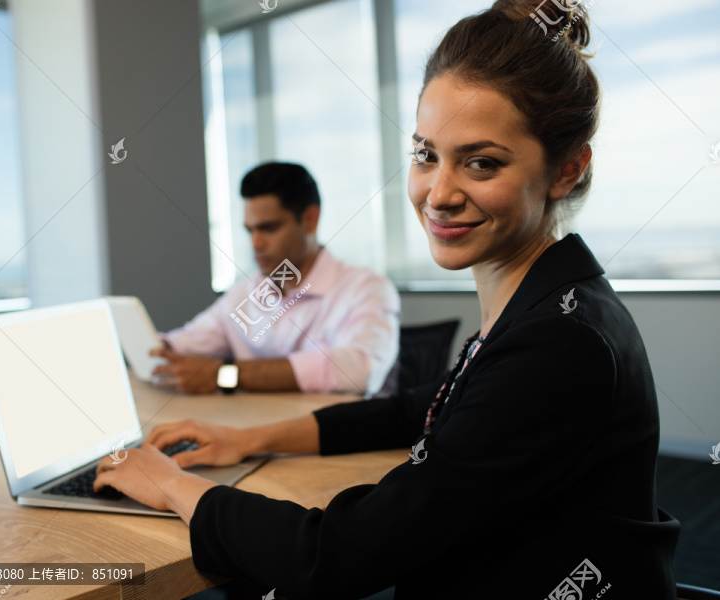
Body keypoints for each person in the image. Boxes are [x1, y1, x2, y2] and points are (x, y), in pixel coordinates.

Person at [94, 1, 680, 597]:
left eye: (481, 162)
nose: (438, 193)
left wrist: (171, 485)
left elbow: (342, 554)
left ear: (565, 170)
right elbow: (414, 410)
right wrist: (248, 438)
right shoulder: (543, 306)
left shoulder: (561, 339)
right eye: (426, 154)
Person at [151, 162, 400, 396]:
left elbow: (358, 371)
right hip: (256, 430)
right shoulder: (249, 290)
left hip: (341, 438)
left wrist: (225, 375)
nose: (256, 244)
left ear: (310, 220)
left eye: (269, 228)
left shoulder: (366, 288)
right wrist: (156, 350)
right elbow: (192, 340)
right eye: (250, 230)